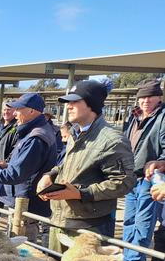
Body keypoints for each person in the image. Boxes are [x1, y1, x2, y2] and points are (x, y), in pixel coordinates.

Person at [37, 80, 136, 252]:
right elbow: (68, 165)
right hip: (62, 219)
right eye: (68, 102)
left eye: (75, 101)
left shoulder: (112, 140)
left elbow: (124, 182)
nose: (69, 106)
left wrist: (81, 193)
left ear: (92, 104)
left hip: (88, 227)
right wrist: (50, 175)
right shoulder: (77, 133)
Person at [0, 93, 57, 241]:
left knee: (23, 246)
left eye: (18, 109)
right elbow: (27, 167)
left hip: (26, 202)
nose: (14, 113)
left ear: (31, 111)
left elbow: (16, 174)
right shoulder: (33, 132)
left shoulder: (36, 137)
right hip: (21, 199)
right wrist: (9, 165)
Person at [121, 79, 165, 261]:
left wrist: (158, 162)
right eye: (142, 97)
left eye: (150, 96)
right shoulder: (133, 117)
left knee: (143, 224)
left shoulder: (162, 118)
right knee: (129, 221)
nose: (145, 101)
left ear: (159, 97)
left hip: (149, 178)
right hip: (131, 176)